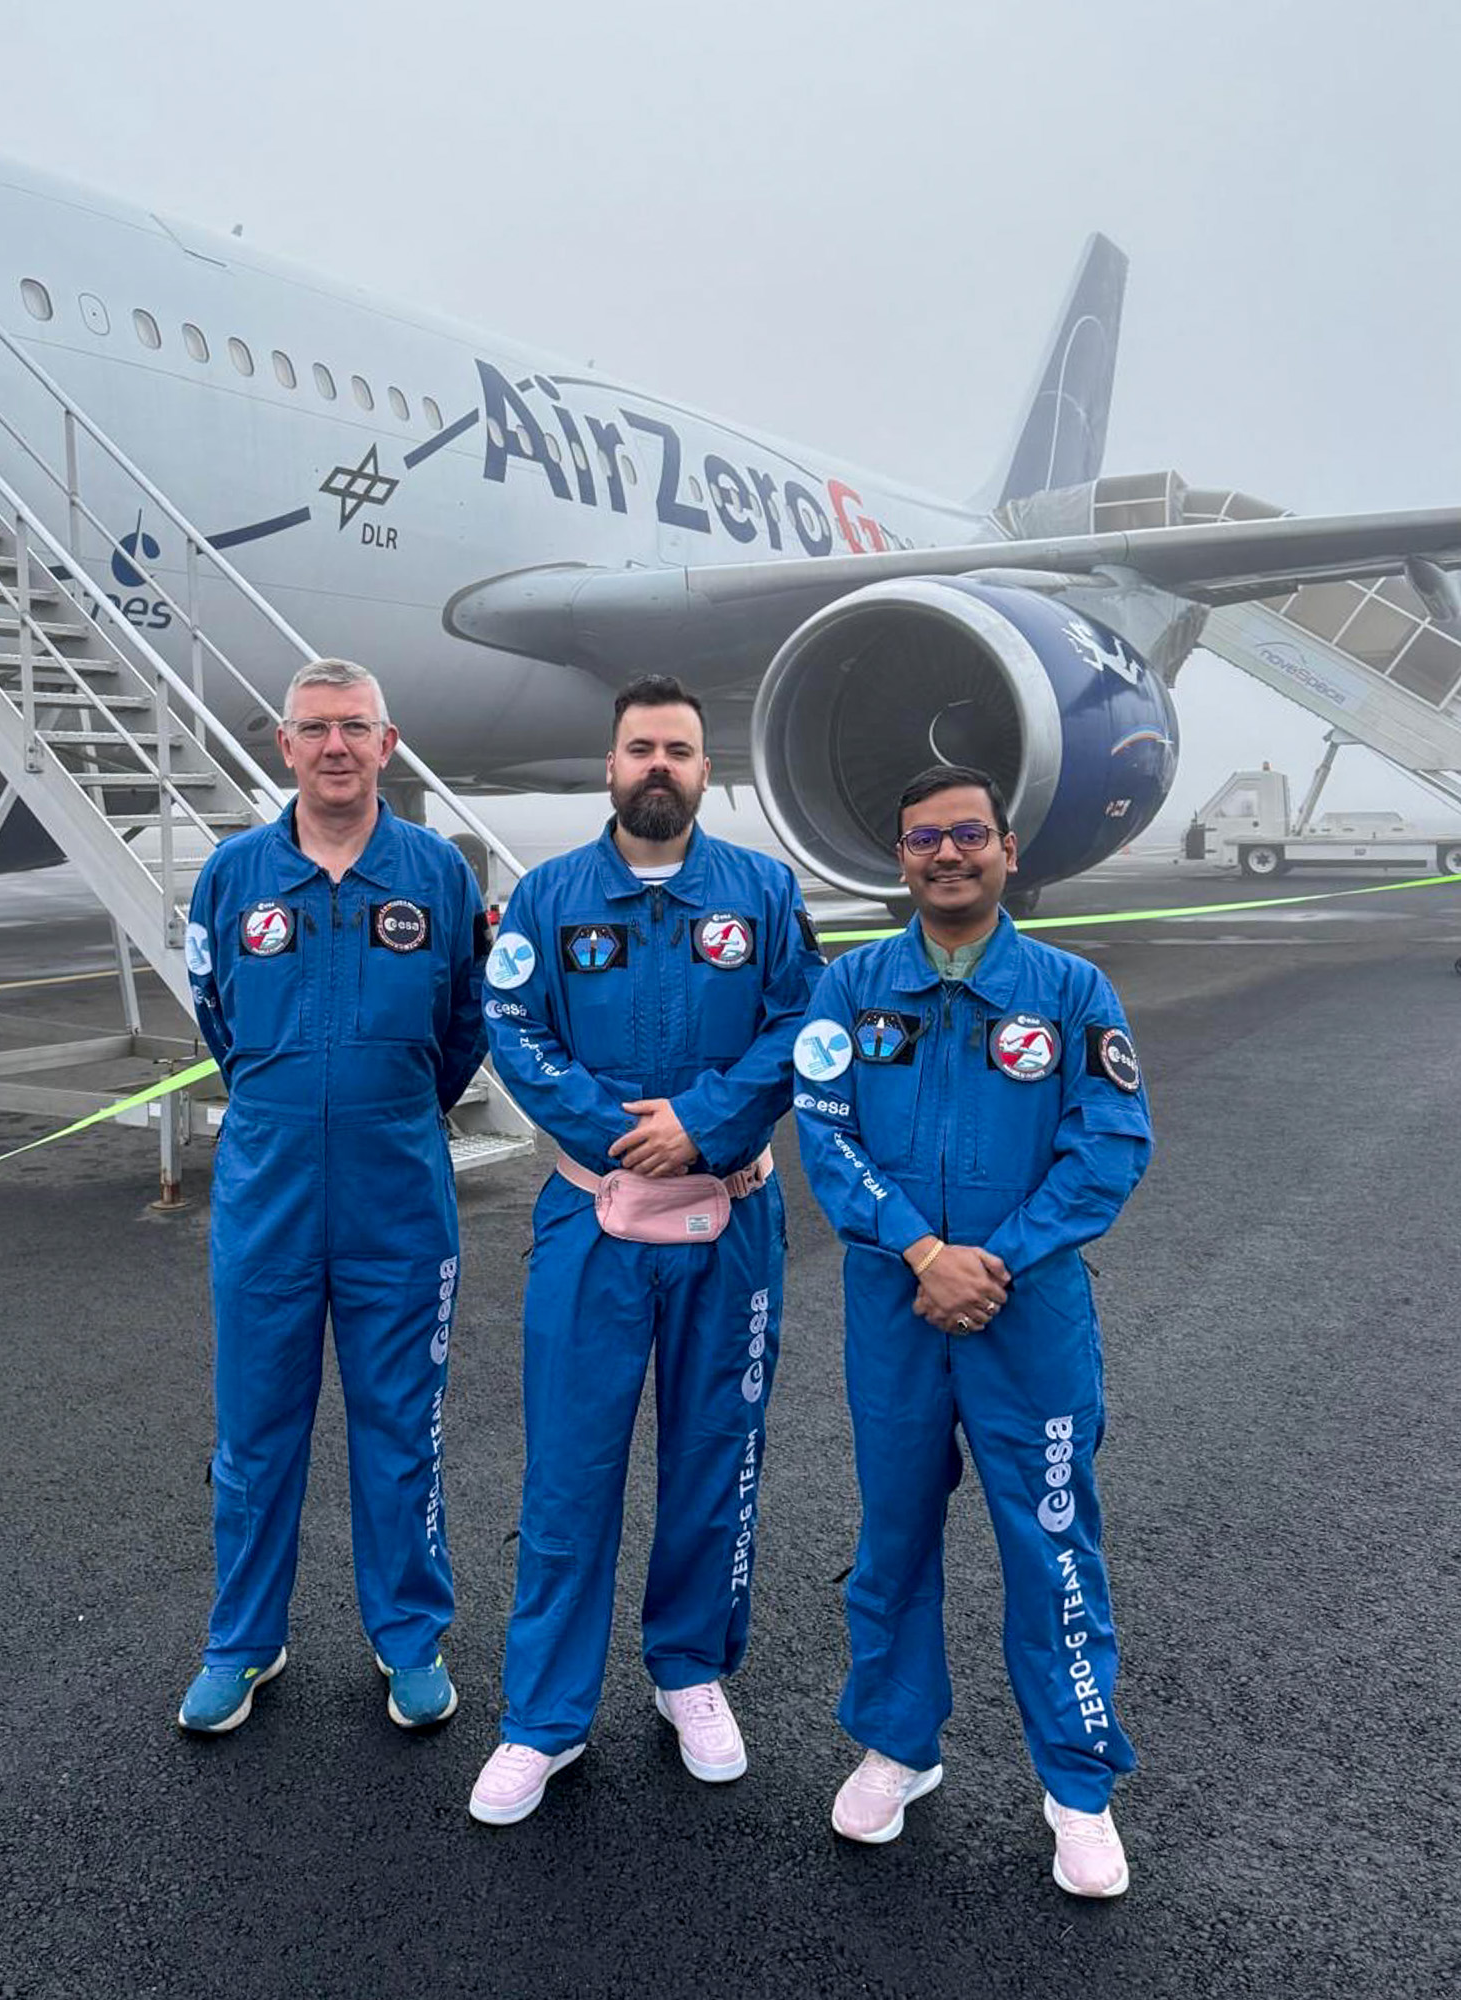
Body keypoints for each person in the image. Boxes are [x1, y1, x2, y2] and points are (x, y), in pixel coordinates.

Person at [468, 674, 826, 1826]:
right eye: (639, 748)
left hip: (731, 1219)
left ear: (704, 770)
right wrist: (622, 1132)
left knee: (714, 1452)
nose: (657, 765)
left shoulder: (763, 894)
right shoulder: (551, 898)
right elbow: (512, 1030)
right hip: (593, 1223)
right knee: (571, 1469)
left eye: (678, 747)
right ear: (610, 766)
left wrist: (705, 1124)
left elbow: (799, 1026)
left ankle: (688, 1669)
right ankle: (542, 1716)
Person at [793, 764, 1151, 1897]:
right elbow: (825, 1133)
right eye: (922, 839)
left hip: (1025, 1313)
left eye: (966, 834)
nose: (946, 854)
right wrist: (919, 1249)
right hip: (895, 1311)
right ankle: (898, 1744)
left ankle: (1078, 1786)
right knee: (892, 1539)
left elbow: (1108, 1142)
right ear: (898, 859)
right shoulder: (851, 989)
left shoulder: (1071, 989)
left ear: (1005, 846)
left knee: (1051, 1550)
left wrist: (996, 1257)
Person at [177, 659, 487, 1734]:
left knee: (400, 1424)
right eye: (315, 728)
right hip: (267, 1189)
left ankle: (407, 1636)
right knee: (255, 1428)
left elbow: (463, 1025)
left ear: (387, 742)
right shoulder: (231, 874)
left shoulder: (437, 873)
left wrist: (384, 1106)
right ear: (285, 744)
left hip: (397, 1187)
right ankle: (243, 1640)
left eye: (355, 726)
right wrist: (293, 1100)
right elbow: (214, 1010)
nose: (336, 746)